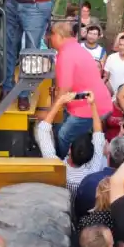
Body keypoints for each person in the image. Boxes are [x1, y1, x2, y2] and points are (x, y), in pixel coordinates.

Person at [50, 21, 112, 158]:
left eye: (51, 35)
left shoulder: (66, 54)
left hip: (89, 107)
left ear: (59, 36)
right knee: (62, 127)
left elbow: (64, 89)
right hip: (93, 102)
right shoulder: (75, 48)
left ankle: (63, 166)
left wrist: (51, 111)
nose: (50, 39)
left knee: (63, 136)